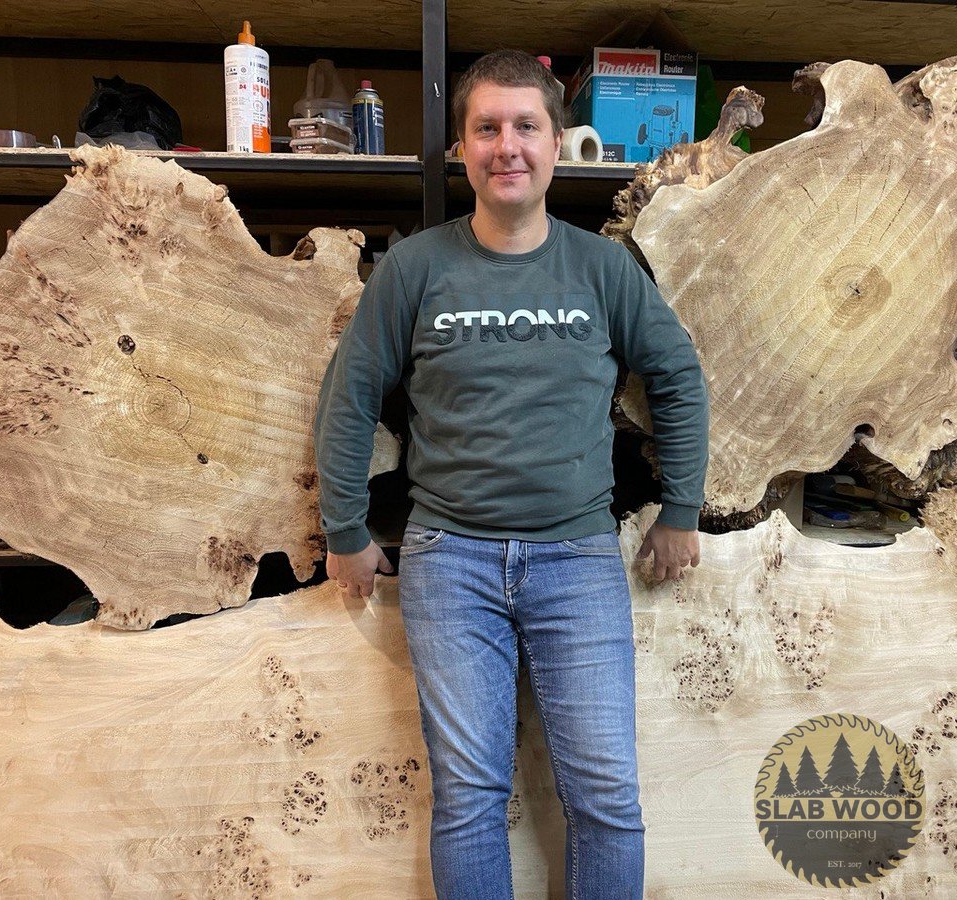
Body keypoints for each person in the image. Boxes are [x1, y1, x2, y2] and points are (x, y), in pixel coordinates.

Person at [313, 49, 708, 900]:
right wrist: (344, 528)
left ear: (557, 144)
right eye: (486, 127)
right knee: (468, 800)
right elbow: (350, 396)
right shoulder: (416, 268)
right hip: (449, 562)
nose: (508, 146)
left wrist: (681, 508)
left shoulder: (602, 269)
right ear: (462, 148)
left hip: (578, 561)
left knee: (606, 798)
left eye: (526, 126)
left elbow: (676, 375)